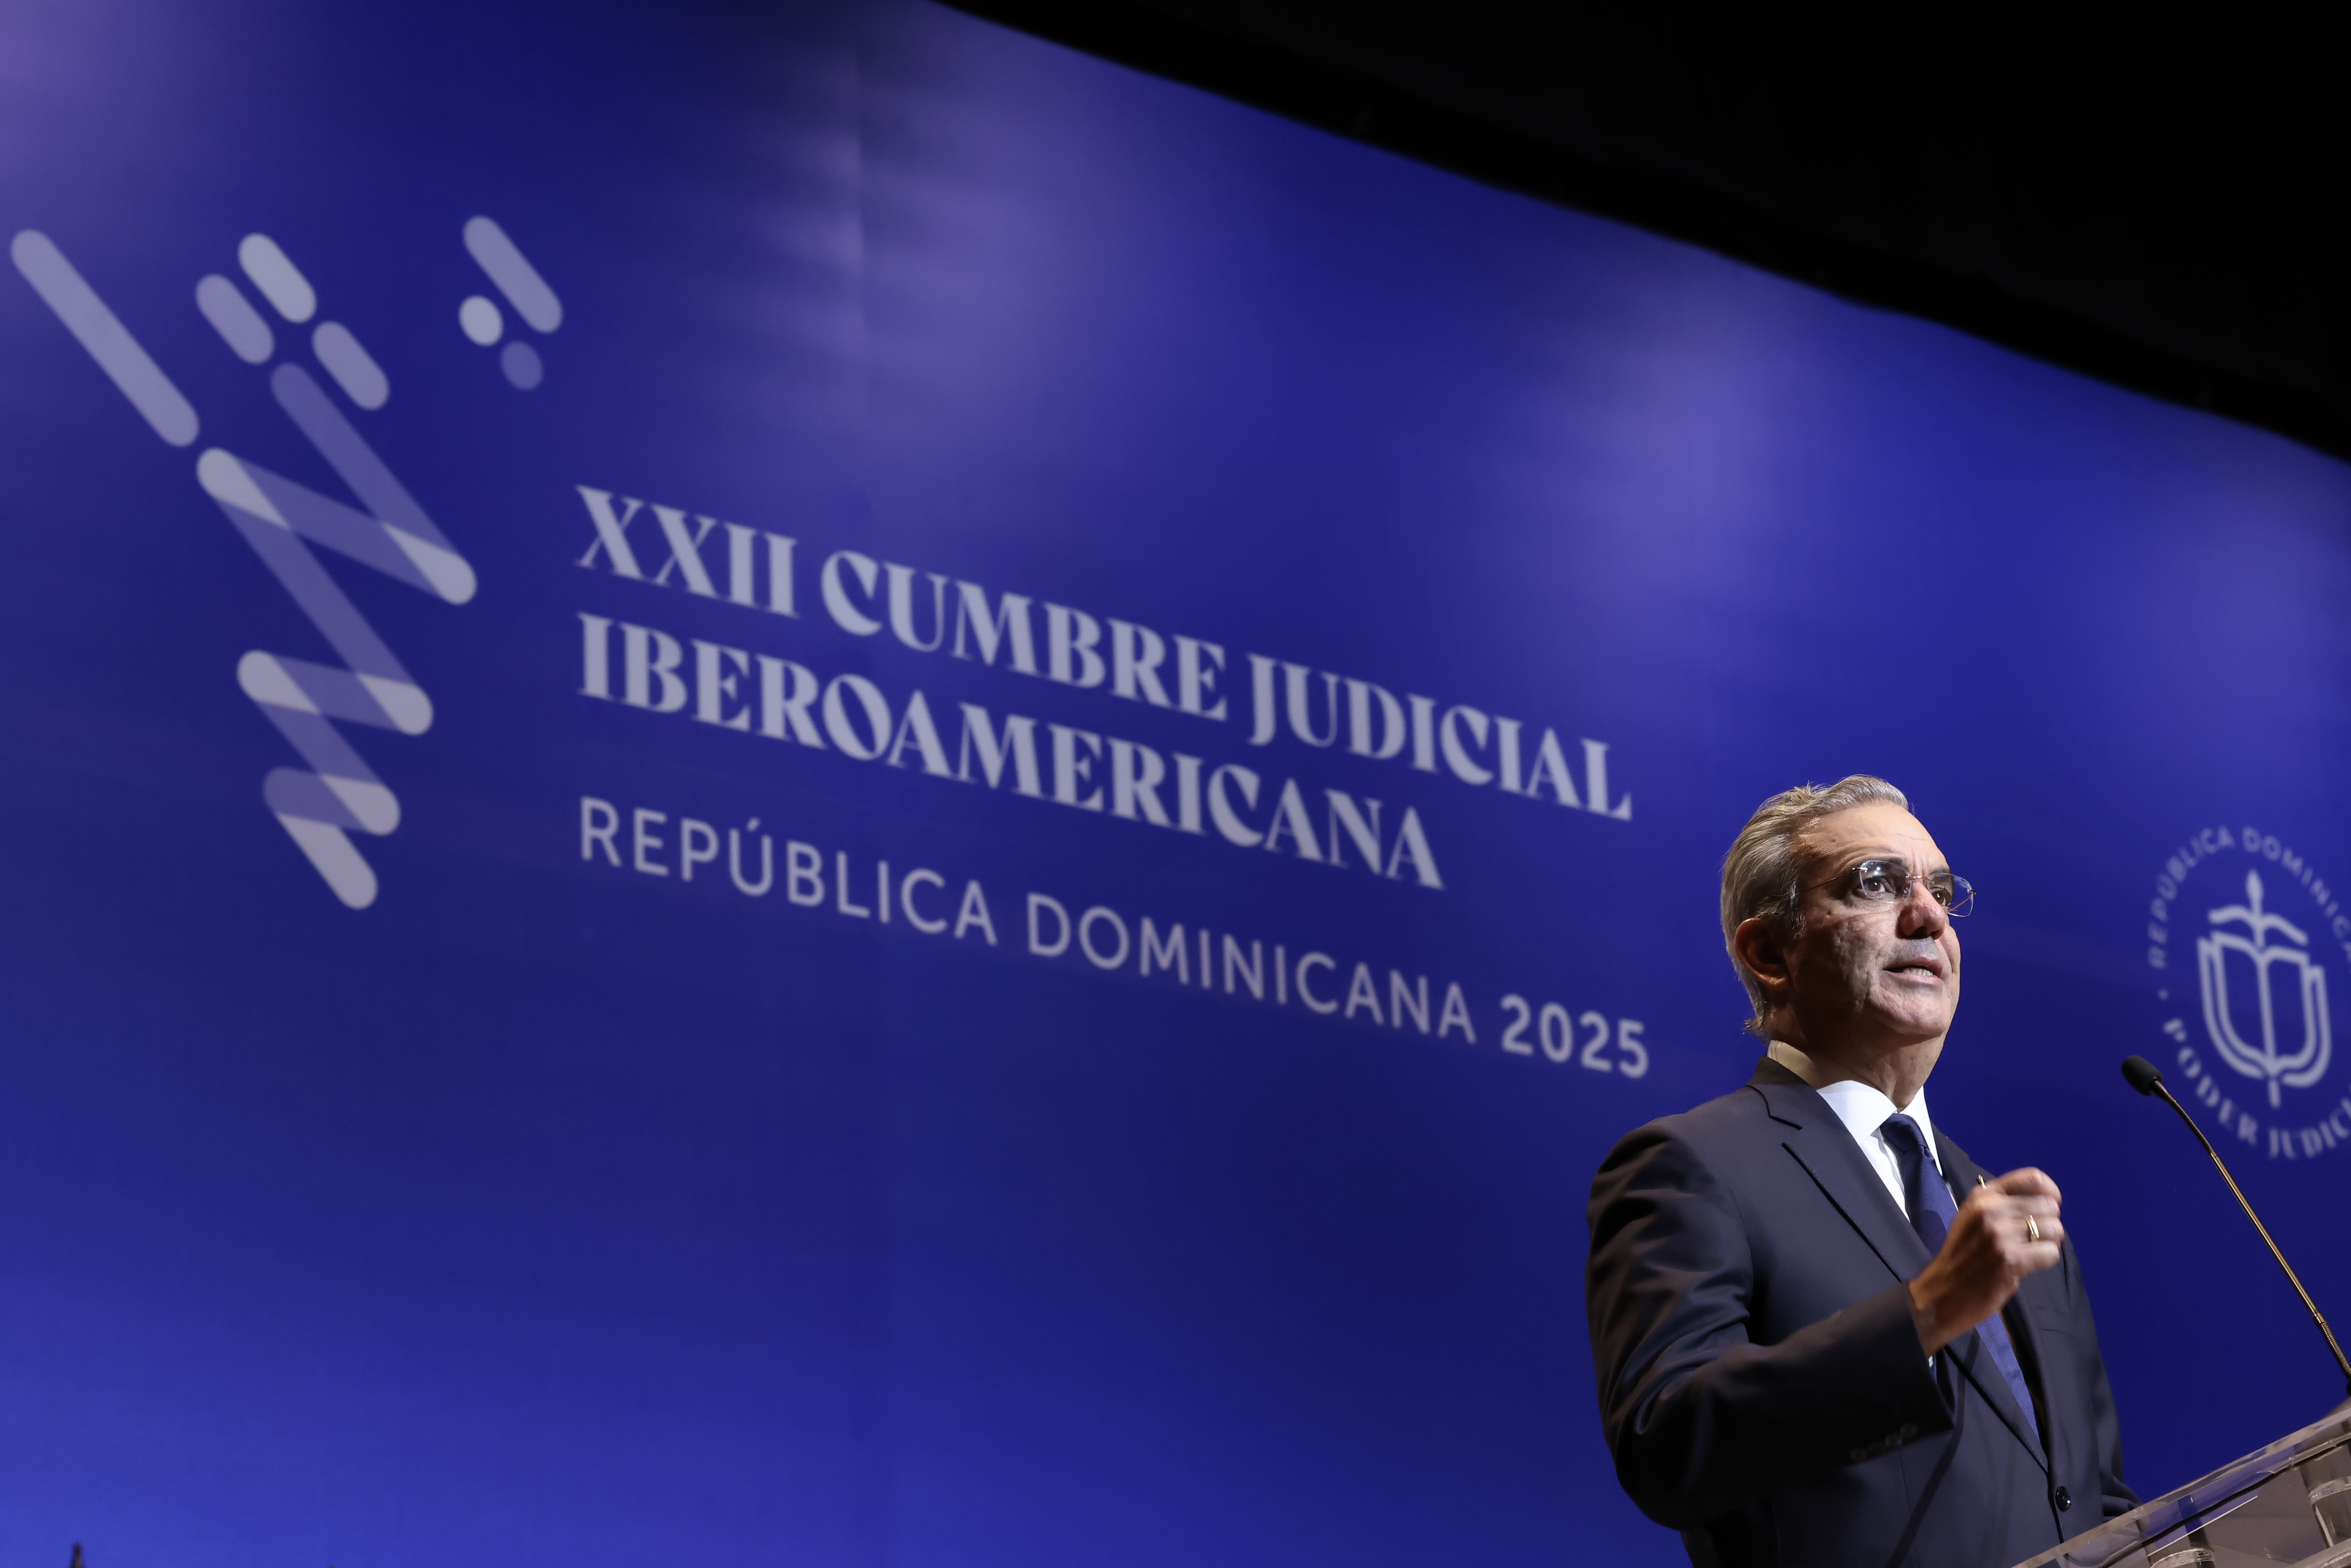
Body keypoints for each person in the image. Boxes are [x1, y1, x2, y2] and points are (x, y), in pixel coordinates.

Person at [1586, 775, 2135, 1566]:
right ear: (1769, 952)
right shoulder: (1694, 1167)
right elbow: (1668, 1442)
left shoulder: (2006, 1212)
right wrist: (1928, 1310)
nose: (1930, 916)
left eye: (1941, 890)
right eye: (1875, 882)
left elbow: (2098, 1502)